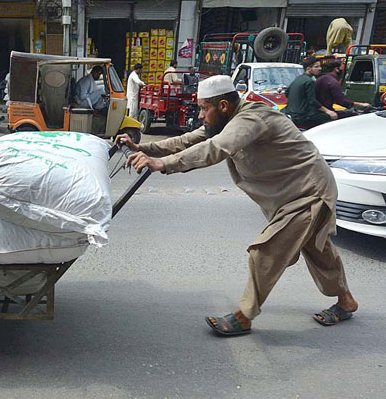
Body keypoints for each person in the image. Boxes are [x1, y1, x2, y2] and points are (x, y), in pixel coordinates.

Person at [115, 75, 358, 336]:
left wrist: (163, 164)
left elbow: (216, 148)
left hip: (309, 192)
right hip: (290, 195)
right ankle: (346, 301)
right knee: (318, 250)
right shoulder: (225, 121)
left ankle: (244, 316)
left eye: (204, 108)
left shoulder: (250, 119)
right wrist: (144, 148)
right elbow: (189, 140)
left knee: (265, 252)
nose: (200, 115)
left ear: (222, 106)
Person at [283, 56, 337, 128]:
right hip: (302, 117)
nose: (320, 69)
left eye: (320, 66)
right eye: (316, 67)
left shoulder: (299, 78)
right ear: (308, 69)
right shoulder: (309, 81)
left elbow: (287, 92)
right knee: (331, 117)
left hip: (290, 114)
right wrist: (328, 111)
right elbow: (312, 101)